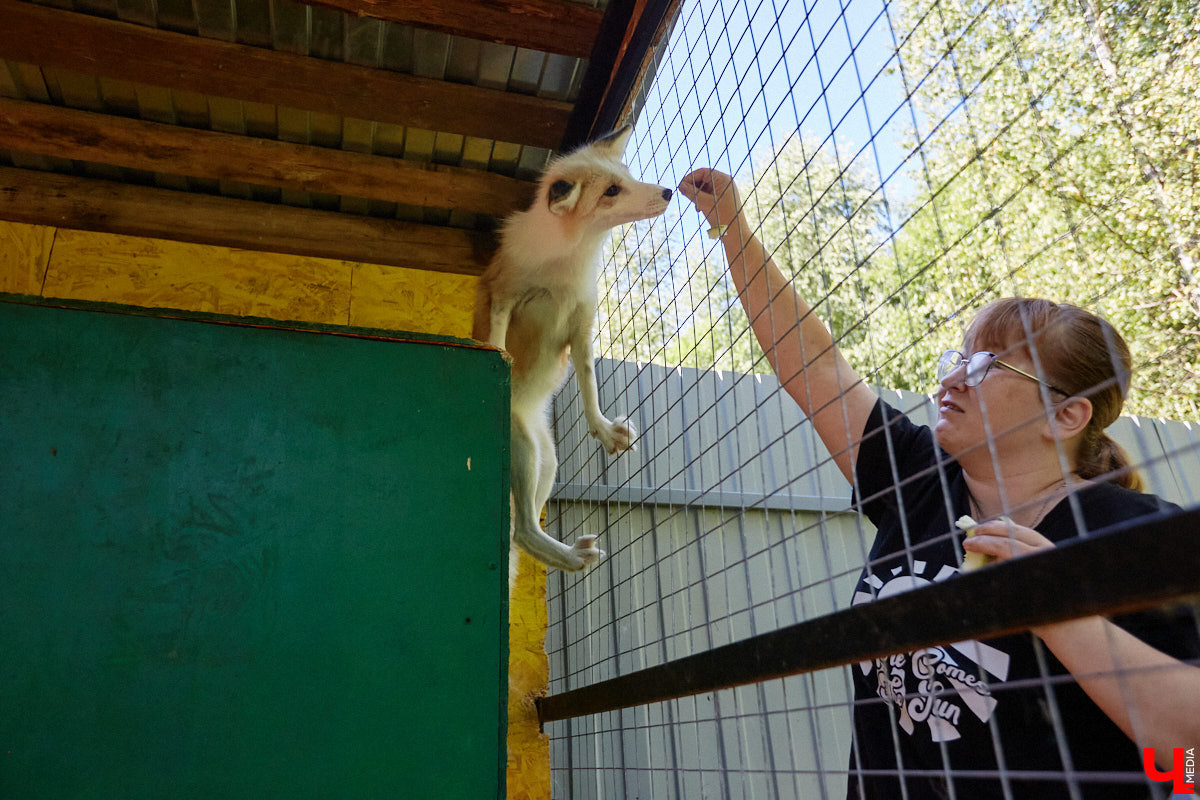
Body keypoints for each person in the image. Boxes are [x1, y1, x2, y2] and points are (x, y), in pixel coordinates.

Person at [678, 168, 1200, 799]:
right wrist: (732, 229)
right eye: (959, 358)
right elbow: (815, 365)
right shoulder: (918, 479)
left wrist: (1058, 612)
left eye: (987, 365)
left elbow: (1189, 756)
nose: (952, 378)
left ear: (1066, 415)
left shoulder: (1137, 533)